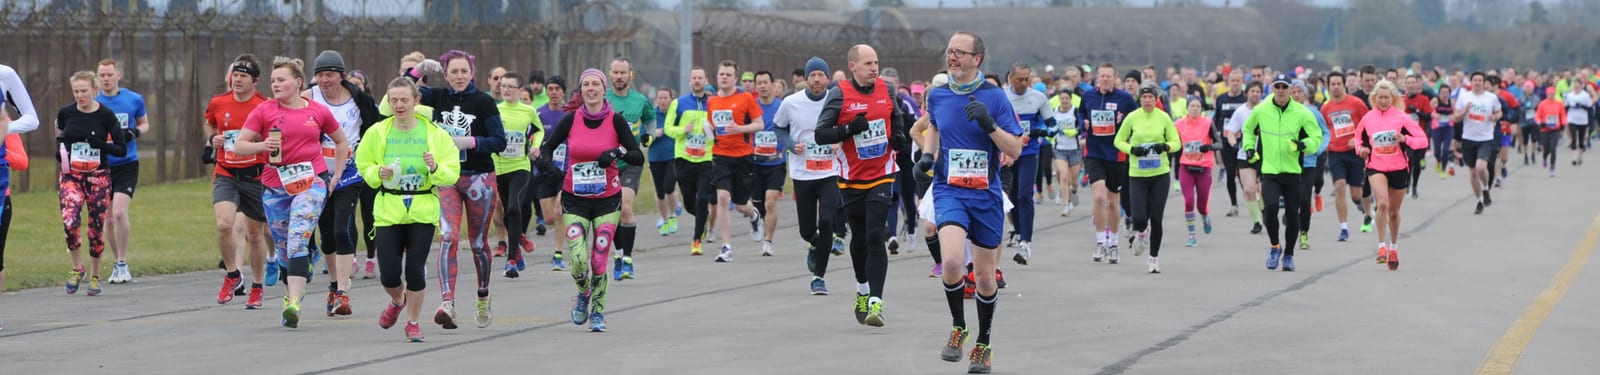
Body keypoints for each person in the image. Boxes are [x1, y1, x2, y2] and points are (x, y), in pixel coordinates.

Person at [924, 31, 1024, 374]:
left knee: (983, 277)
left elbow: (1015, 149)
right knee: (951, 262)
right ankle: (958, 327)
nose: (952, 58)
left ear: (976, 59)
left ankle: (984, 342)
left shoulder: (995, 97)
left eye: (960, 53)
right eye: (949, 52)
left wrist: (989, 124)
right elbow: (934, 128)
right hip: (949, 190)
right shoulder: (937, 96)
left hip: (986, 196)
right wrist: (926, 156)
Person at [234, 56, 350, 328]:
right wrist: (263, 146)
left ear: (297, 83)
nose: (275, 84)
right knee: (285, 247)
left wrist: (336, 175)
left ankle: (295, 304)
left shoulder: (317, 111)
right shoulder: (264, 110)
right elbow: (239, 145)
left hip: (312, 182)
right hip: (275, 186)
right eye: (273, 80)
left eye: (281, 80)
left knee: (298, 237)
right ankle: (290, 296)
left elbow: (341, 141)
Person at [535, 68, 645, 332]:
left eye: (596, 84)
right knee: (579, 259)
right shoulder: (571, 120)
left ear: (603, 89)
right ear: (581, 90)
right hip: (576, 198)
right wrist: (558, 173)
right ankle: (584, 293)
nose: (591, 88)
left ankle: (598, 311)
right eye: (586, 84)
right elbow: (547, 148)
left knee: (599, 259)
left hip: (607, 198)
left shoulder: (615, 120)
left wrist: (615, 151)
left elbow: (636, 155)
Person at [406, 50, 508, 329]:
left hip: (479, 179)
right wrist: (417, 71)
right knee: (449, 236)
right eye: (454, 72)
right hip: (447, 176)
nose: (459, 77)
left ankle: (483, 296)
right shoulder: (437, 96)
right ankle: (447, 302)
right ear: (446, 73)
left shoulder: (484, 102)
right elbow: (402, 93)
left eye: (464, 71)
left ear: (472, 73)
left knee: (477, 244)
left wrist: (470, 143)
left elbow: (498, 141)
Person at [816, 45, 913, 327]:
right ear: (853, 66)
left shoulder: (887, 89)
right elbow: (821, 134)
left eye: (877, 62)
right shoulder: (839, 94)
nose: (874, 67)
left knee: (874, 234)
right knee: (858, 238)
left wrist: (898, 137)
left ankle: (876, 302)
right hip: (851, 177)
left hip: (882, 172)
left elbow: (895, 116)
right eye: (868, 63)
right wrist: (848, 130)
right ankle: (861, 288)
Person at [362, 77, 461, 342]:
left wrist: (435, 167)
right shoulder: (378, 132)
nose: (399, 105)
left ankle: (413, 322)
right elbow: (364, 163)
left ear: (416, 101)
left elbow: (452, 171)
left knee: (415, 270)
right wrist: (376, 171)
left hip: (422, 209)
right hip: (388, 210)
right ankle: (397, 301)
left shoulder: (435, 134)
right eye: (394, 100)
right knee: (390, 273)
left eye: (405, 100)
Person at [304, 50, 384, 318]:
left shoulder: (358, 99)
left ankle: (343, 291)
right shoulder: (309, 97)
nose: (324, 80)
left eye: (329, 75)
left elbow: (377, 126)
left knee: (342, 226)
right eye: (320, 75)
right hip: (317, 173)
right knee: (327, 233)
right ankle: (333, 285)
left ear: (341, 75)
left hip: (350, 171)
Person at [207, 55, 272, 308]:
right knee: (224, 225)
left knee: (255, 236)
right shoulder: (218, 102)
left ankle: (257, 286)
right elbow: (210, 126)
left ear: (255, 81)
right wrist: (213, 140)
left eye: (243, 76)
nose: (237, 80)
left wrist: (256, 147)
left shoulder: (264, 106)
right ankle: (233, 274)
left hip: (255, 175)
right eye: (235, 75)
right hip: (226, 173)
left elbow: (273, 140)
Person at [59, 70, 129, 296]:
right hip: (72, 176)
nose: (80, 96)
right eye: (76, 91)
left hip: (98, 177)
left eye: (84, 91)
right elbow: (60, 138)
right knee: (69, 221)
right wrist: (60, 154)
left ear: (94, 91)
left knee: (95, 229)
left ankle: (96, 275)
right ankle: (77, 267)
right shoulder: (66, 113)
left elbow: (120, 148)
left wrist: (101, 145)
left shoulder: (106, 116)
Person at [1241, 76, 1321, 272]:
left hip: (1293, 171)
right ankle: (1275, 246)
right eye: (1277, 87)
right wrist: (1249, 147)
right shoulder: (1261, 109)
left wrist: (1305, 145)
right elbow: (1248, 129)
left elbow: (1316, 136)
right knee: (1270, 210)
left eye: (1284, 87)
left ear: (1290, 89)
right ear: (1272, 89)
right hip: (1269, 170)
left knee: (1293, 215)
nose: (1281, 90)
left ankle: (1289, 255)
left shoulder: (1302, 112)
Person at [775, 57, 840, 295]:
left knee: (826, 221)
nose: (816, 80)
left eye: (820, 75)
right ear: (806, 78)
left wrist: (839, 141)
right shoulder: (791, 103)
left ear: (827, 78)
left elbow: (847, 127)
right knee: (807, 230)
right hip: (803, 173)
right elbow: (778, 128)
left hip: (830, 171)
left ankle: (818, 277)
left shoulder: (837, 101)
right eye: (812, 75)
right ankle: (815, 244)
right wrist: (791, 144)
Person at [1352, 80, 1429, 271]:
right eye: (1380, 98)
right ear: (1374, 98)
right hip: (1376, 166)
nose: (1384, 101)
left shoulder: (1402, 118)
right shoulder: (1368, 118)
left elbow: (1423, 140)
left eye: (1387, 97)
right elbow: (1357, 138)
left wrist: (1405, 139)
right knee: (1383, 203)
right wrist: (1361, 150)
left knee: (1393, 212)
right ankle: (1381, 247)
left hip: (1398, 168)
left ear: (1393, 98)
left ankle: (1393, 247)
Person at [1114, 86, 1180, 273]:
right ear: (1140, 99)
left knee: (1157, 218)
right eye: (1144, 97)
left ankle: (1153, 258)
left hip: (1160, 174)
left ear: (1156, 99)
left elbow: (1177, 142)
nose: (1147, 100)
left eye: (1151, 97)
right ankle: (1141, 233)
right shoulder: (1133, 117)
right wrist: (1131, 150)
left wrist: (1165, 146)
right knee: (1140, 217)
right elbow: (1118, 141)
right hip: (1138, 175)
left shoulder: (1164, 117)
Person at [93, 59, 147, 285]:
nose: (105, 79)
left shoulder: (133, 99)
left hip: (127, 163)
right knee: (108, 218)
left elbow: (145, 124)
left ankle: (123, 261)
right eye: (101, 75)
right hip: (102, 164)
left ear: (118, 75)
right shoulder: (94, 102)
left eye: (109, 74)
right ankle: (117, 262)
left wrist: (134, 133)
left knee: (119, 213)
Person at [706, 60, 765, 262]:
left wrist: (740, 129)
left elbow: (759, 124)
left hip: (743, 157)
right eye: (721, 74)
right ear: (717, 77)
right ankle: (726, 247)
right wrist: (709, 130)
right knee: (723, 198)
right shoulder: (712, 101)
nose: (724, 77)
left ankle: (754, 216)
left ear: (735, 78)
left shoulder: (745, 98)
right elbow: (710, 126)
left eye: (728, 75)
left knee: (741, 205)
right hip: (721, 155)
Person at [1078, 63, 1136, 264]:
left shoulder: (1125, 99)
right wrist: (1082, 123)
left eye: (1108, 76)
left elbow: (1135, 119)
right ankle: (1100, 242)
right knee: (1099, 197)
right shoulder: (1088, 96)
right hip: (1094, 152)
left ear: (1114, 78)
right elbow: (1080, 114)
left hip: (1116, 155)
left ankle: (1114, 244)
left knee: (1113, 202)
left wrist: (1124, 119)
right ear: (1097, 78)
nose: (1104, 79)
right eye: (1101, 76)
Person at [603, 58, 655, 280]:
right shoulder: (604, 99)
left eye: (623, 72)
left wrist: (648, 136)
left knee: (625, 207)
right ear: (610, 74)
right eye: (615, 72)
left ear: (630, 75)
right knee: (612, 211)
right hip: (608, 162)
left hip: (631, 161)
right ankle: (618, 252)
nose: (619, 76)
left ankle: (627, 259)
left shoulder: (640, 100)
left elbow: (651, 121)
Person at [1002, 64, 1056, 265]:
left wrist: (1040, 131)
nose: (1024, 84)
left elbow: (1053, 125)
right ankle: (1016, 230)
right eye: (1020, 79)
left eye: (1027, 79)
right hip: (1007, 153)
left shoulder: (1038, 98)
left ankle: (1026, 241)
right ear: (1011, 79)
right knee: (1012, 197)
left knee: (1025, 194)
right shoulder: (1002, 97)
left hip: (1028, 153)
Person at [663, 67, 717, 256]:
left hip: (706, 158)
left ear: (706, 80)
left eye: (700, 78)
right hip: (684, 158)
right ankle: (702, 218)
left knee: (703, 197)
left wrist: (713, 129)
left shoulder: (713, 103)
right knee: (689, 203)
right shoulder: (678, 103)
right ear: (689, 81)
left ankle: (696, 240)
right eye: (694, 78)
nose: (697, 81)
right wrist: (682, 130)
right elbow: (668, 128)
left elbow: (721, 130)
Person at [492, 71, 542, 278]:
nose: (505, 90)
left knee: (514, 207)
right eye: (503, 86)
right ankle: (517, 244)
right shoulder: (494, 110)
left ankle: (511, 260)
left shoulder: (528, 111)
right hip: (499, 167)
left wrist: (535, 146)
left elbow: (539, 130)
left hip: (520, 167)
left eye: (510, 86)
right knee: (506, 211)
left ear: (519, 90)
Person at [1320, 71, 1371, 240]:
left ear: (1344, 85)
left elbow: (1368, 125)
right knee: (1340, 185)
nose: (1335, 87)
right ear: (1328, 87)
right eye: (1332, 84)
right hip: (1336, 153)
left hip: (1355, 153)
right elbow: (1323, 130)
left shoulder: (1356, 103)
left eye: (1338, 84)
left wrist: (1358, 140)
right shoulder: (1325, 108)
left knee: (1356, 195)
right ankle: (1344, 228)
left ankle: (1363, 203)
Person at [1450, 72, 1503, 215]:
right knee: (1473, 173)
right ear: (1471, 82)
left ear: (1484, 83)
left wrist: (1495, 117)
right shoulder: (1464, 97)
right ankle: (1479, 200)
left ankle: (1486, 188)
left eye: (1480, 80)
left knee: (1481, 167)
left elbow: (1500, 112)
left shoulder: (1491, 98)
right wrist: (1465, 111)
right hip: (1468, 139)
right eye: (1475, 80)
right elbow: (1455, 118)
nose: (1477, 82)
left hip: (1485, 138)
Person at [750, 70, 787, 257]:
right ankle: (757, 220)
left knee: (770, 202)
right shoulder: (752, 107)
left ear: (773, 85)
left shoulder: (782, 107)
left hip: (776, 163)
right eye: (759, 83)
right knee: (757, 205)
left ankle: (768, 242)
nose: (763, 86)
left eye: (766, 82)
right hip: (755, 163)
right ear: (756, 86)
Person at [1290, 80, 1331, 250]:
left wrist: (1318, 149)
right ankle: (1292, 228)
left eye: (1299, 91)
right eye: (1293, 91)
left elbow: (1325, 133)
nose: (1296, 94)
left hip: (1308, 162)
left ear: (1306, 95)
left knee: (1305, 199)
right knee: (1293, 200)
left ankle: (1304, 232)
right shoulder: (1284, 113)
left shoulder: (1313, 112)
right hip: (1288, 162)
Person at [1174, 98, 1219, 247]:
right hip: (1186, 167)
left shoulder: (1207, 123)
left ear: (1201, 109)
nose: (1194, 109)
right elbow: (1171, 141)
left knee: (1201, 205)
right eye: (1192, 106)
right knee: (1188, 201)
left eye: (1197, 106)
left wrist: (1209, 147)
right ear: (1187, 108)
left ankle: (1205, 216)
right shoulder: (1179, 124)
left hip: (1204, 167)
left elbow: (1220, 143)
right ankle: (1191, 235)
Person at [536, 76, 570, 269]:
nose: (554, 92)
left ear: (563, 92)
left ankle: (558, 254)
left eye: (558, 88)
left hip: (565, 171)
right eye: (551, 88)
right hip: (545, 170)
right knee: (548, 217)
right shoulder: (539, 114)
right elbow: (532, 142)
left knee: (559, 213)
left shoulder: (570, 114)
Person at [1226, 81, 1264, 234]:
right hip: (1245, 154)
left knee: (1263, 190)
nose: (1255, 94)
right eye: (1252, 91)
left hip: (1265, 154)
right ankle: (1257, 221)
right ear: (1247, 93)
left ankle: (1264, 209)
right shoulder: (1240, 112)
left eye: (1258, 91)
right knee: (1249, 189)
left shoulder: (1266, 109)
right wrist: (1234, 144)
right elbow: (1230, 131)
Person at [1212, 70, 1247, 217]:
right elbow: (1217, 119)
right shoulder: (1222, 99)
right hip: (1227, 141)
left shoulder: (1245, 99)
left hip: (1243, 141)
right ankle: (1234, 204)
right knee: (1230, 173)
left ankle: (1250, 199)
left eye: (1238, 81)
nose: (1235, 83)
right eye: (1232, 80)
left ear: (1241, 82)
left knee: (1244, 174)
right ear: (1228, 81)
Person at [648, 87, 682, 237]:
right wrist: (654, 134)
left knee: (669, 186)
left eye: (665, 98)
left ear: (671, 99)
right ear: (656, 100)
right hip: (655, 157)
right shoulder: (651, 116)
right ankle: (664, 218)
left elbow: (682, 129)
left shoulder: (675, 114)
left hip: (673, 155)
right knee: (660, 192)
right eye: (660, 98)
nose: (662, 101)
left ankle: (673, 213)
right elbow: (643, 135)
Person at [1049, 87, 1083, 217]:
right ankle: (1065, 205)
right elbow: (1050, 127)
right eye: (1062, 98)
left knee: (1073, 180)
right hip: (1059, 149)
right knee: (1063, 176)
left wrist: (1070, 132)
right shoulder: (1054, 112)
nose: (1064, 101)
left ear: (1070, 99)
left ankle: (1074, 191)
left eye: (1066, 98)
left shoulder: (1075, 112)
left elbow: (1080, 129)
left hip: (1074, 148)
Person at [1536, 87, 1567, 175]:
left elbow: (1563, 115)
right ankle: (1545, 158)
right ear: (1547, 94)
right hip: (1545, 129)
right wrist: (1540, 123)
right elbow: (1537, 116)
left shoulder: (1559, 104)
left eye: (1553, 94)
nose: (1551, 96)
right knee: (1546, 149)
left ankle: (1552, 167)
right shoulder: (1542, 104)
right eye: (1550, 94)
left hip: (1555, 129)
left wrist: (1563, 123)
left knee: (1553, 148)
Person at [1565, 82, 1592, 166]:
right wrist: (1570, 107)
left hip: (1583, 120)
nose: (1576, 87)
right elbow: (1565, 107)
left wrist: (1581, 106)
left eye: (1578, 86)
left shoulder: (1585, 95)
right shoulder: (1569, 95)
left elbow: (1589, 108)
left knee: (1581, 140)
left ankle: (1580, 156)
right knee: (1574, 138)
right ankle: (1574, 158)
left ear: (1581, 86)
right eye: (1575, 86)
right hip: (1572, 119)